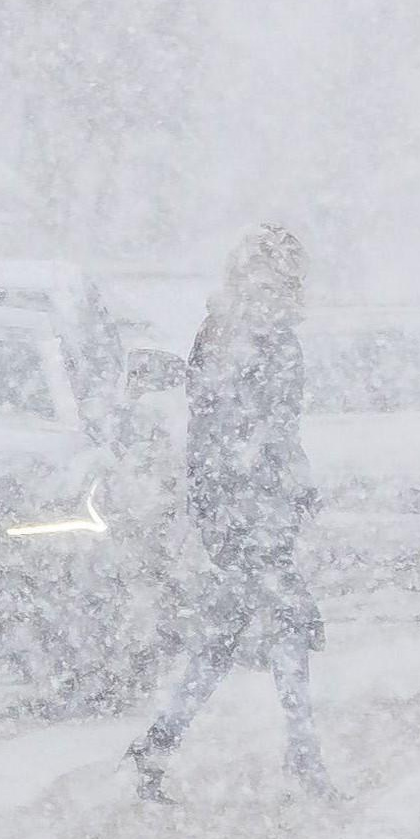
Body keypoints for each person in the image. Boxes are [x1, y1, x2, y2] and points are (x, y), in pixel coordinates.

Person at [128, 222, 331, 802]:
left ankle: (161, 744)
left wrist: (291, 480)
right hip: (244, 507)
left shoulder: (265, 335)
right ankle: (301, 754)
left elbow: (270, 427)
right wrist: (248, 488)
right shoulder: (235, 335)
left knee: (228, 635)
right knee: (279, 623)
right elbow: (224, 426)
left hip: (256, 504)